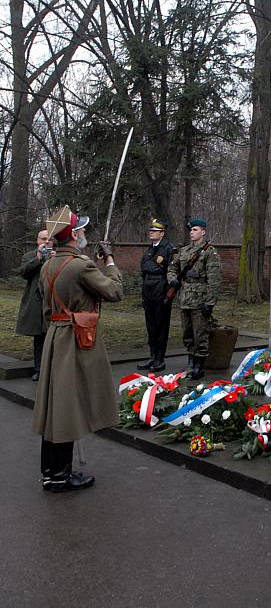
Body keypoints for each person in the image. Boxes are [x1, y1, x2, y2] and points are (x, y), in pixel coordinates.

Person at [33, 205, 122, 492]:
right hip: (75, 339)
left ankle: (50, 471)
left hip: (55, 338)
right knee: (68, 408)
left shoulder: (48, 264)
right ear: (72, 234)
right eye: (80, 229)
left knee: (54, 408)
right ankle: (60, 476)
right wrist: (108, 260)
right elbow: (114, 291)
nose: (84, 232)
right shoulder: (80, 264)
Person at [168, 218, 221, 381]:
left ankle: (199, 364)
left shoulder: (210, 252)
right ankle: (191, 359)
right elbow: (172, 267)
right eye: (191, 230)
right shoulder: (184, 251)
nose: (192, 232)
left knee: (200, 334)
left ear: (203, 232)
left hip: (200, 300)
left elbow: (214, 280)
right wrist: (173, 279)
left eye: (195, 230)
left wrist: (210, 302)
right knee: (187, 333)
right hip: (184, 298)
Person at [16, 227, 55, 381]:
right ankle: (39, 369)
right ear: (37, 241)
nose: (46, 241)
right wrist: (38, 258)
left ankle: (53, 369)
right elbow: (24, 273)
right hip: (36, 303)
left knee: (54, 337)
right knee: (39, 338)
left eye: (49, 239)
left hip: (53, 302)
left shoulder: (56, 256)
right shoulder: (30, 256)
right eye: (43, 239)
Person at [138, 217, 175, 373]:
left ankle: (160, 358)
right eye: (150, 231)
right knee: (151, 325)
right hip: (148, 289)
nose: (151, 233)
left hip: (161, 287)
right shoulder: (149, 249)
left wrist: (155, 267)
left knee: (161, 325)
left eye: (154, 231)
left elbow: (170, 269)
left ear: (162, 233)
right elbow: (144, 267)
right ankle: (152, 356)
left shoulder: (168, 249)